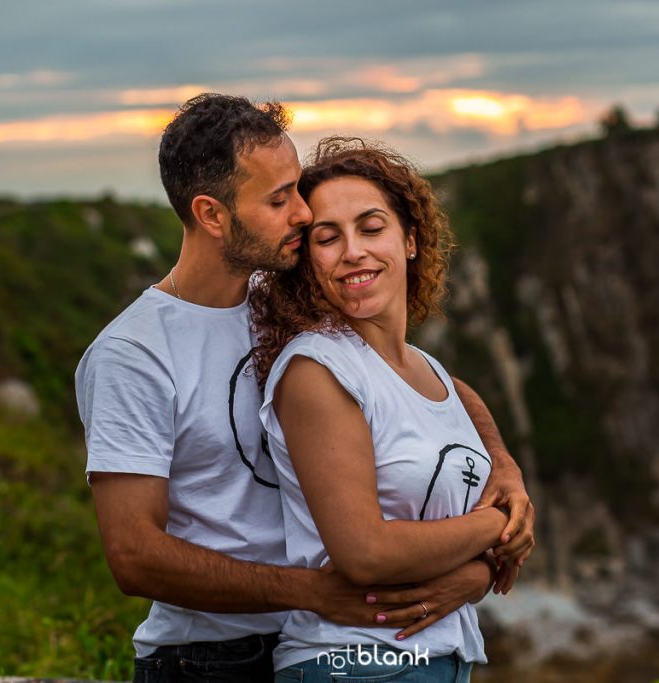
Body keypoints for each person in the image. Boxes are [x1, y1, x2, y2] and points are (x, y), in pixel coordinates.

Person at [75, 94, 534, 682]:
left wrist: (503, 468)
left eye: (296, 188)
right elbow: (133, 555)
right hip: (209, 662)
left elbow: (416, 379)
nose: (301, 213)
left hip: (318, 640)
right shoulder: (133, 355)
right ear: (213, 215)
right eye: (278, 199)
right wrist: (312, 592)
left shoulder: (281, 297)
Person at [250, 137, 534, 682]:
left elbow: (456, 396)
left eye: (371, 227)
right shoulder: (317, 368)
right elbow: (366, 553)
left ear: (409, 238)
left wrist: (506, 468)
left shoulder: (421, 367)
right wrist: (497, 526)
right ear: (309, 263)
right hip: (352, 664)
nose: (353, 250)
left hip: (437, 663)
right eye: (327, 239)